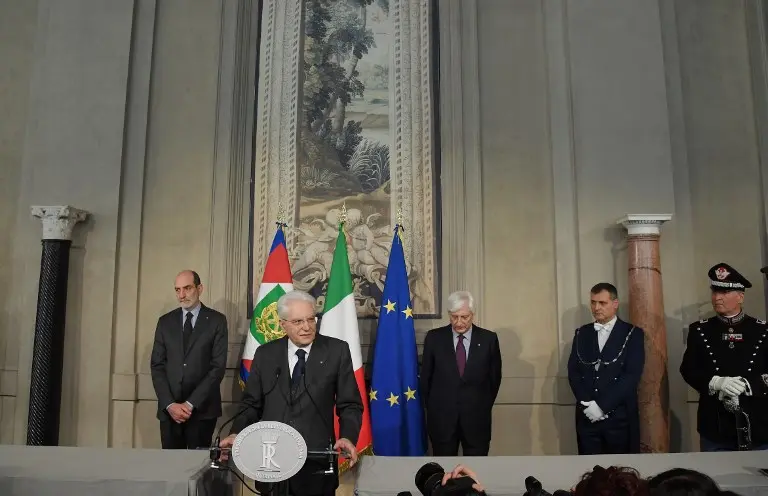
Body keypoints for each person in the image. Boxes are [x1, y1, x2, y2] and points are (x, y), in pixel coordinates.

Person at [219, 290, 363, 496]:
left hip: (316, 463)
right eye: (297, 321)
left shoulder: (336, 351)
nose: (306, 327)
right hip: (272, 460)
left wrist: (347, 436)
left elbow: (350, 404)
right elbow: (251, 404)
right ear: (282, 324)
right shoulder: (266, 354)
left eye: (311, 319)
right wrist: (236, 432)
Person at [680, 263, 768, 451]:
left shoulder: (762, 330)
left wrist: (748, 384)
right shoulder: (699, 330)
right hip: (715, 425)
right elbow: (688, 369)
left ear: (740, 297)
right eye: (715, 291)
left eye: (724, 292)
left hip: (758, 423)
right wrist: (715, 382)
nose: (717, 297)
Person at [150, 270, 228, 449]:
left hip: (202, 410)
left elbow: (217, 367)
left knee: (197, 464)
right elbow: (157, 366)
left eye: (187, 288)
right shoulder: (165, 322)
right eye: (177, 290)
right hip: (170, 411)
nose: (182, 295)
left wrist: (190, 404)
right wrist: (170, 404)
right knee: (170, 464)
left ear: (199, 288)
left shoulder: (217, 321)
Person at [420, 291, 502, 456]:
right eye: (454, 317)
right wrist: (436, 408)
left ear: (472, 314)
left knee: (476, 469)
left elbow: (494, 380)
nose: (459, 322)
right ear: (449, 314)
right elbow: (426, 380)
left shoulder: (488, 339)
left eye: (464, 317)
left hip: (477, 421)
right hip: (442, 421)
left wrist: (480, 404)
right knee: (444, 469)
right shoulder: (434, 338)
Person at [567, 283, 645, 455]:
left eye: (602, 303)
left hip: (619, 418)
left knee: (620, 468)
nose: (596, 308)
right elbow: (574, 372)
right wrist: (588, 406)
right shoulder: (582, 333)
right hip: (587, 417)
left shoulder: (632, 333)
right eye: (593, 302)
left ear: (615, 304)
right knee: (589, 468)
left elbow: (631, 376)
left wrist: (601, 407)